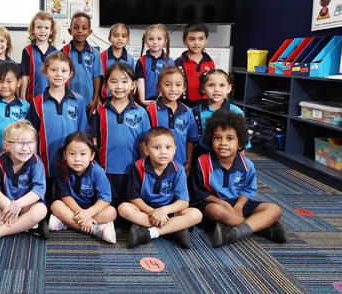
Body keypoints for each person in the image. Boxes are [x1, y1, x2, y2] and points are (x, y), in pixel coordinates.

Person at [189, 111, 286, 248]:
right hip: (213, 204)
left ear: (240, 142)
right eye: (217, 138)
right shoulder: (202, 162)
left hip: (237, 203)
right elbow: (198, 193)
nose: (223, 143)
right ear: (210, 139)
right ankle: (262, 228)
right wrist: (221, 203)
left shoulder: (247, 164)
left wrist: (239, 205)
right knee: (216, 211)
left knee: (275, 209)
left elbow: (248, 189)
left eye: (229, 139)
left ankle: (235, 232)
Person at [118, 127, 202, 248]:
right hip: (145, 210)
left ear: (174, 150)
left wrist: (163, 211)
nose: (163, 152)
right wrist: (153, 212)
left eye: (168, 147)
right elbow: (133, 197)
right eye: (157, 147)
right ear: (146, 150)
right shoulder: (137, 166)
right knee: (123, 208)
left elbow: (183, 202)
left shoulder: (179, 169)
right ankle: (173, 230)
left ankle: (151, 232)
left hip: (168, 211)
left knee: (196, 214)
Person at [27, 52, 88, 199]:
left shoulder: (78, 100)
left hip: (72, 159)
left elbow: (83, 132)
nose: (58, 74)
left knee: (68, 196)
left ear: (70, 74)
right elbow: (31, 134)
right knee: (45, 196)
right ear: (45, 72)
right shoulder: (37, 102)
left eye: (64, 70)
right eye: (53, 70)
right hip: (45, 160)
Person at [90, 62, 149, 204]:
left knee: (129, 204)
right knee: (107, 203)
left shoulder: (141, 112)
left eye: (124, 81)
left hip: (133, 169)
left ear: (133, 84)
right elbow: (94, 141)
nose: (119, 86)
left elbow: (145, 142)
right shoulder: (100, 111)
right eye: (114, 81)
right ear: (106, 85)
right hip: (106, 169)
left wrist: (144, 166)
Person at [49, 132, 117, 243]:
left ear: (92, 155)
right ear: (65, 155)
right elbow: (65, 197)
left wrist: (88, 213)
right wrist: (82, 215)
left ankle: (66, 224)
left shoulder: (97, 171)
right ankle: (96, 229)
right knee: (55, 205)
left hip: (93, 210)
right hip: (72, 209)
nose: (77, 159)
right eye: (72, 154)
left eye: (83, 154)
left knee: (112, 212)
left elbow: (105, 199)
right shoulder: (63, 169)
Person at [144, 67, 199, 172]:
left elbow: (190, 141)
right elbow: (144, 141)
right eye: (167, 85)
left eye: (178, 85)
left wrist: (188, 163)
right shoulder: (150, 110)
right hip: (155, 166)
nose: (173, 89)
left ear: (184, 88)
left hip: (180, 167)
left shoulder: (188, 112)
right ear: (159, 87)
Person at [192, 69, 249, 157]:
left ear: (229, 88)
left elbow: (243, 144)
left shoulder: (237, 112)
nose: (217, 89)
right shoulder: (194, 111)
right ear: (203, 88)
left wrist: (241, 163)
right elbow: (190, 140)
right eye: (211, 85)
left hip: (227, 155)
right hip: (202, 154)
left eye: (222, 85)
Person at [62, 12, 103, 114]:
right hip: (67, 101)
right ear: (70, 31)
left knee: (86, 129)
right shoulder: (63, 52)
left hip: (88, 102)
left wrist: (95, 99)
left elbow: (96, 77)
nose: (80, 31)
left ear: (89, 32)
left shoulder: (95, 53)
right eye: (76, 28)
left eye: (84, 28)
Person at [20, 11, 59, 102]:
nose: (42, 31)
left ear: (51, 31)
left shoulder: (56, 53)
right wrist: (22, 96)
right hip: (31, 99)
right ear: (33, 29)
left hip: (51, 99)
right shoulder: (27, 51)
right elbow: (25, 76)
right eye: (39, 27)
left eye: (46, 28)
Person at [174, 22, 215, 107]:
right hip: (183, 103)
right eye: (192, 39)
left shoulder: (210, 62)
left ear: (206, 40)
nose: (196, 43)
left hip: (205, 102)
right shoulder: (178, 62)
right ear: (184, 41)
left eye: (201, 39)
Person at [135, 23, 174, 106]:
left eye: (159, 39)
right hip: (144, 102)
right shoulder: (141, 61)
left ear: (165, 41)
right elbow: (140, 81)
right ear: (146, 41)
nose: (155, 42)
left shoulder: (170, 62)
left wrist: (160, 100)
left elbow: (169, 83)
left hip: (163, 102)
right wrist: (142, 100)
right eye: (151, 39)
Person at [99, 23, 135, 101]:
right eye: (116, 36)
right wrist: (98, 100)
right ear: (109, 38)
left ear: (128, 40)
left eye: (123, 36)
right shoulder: (101, 57)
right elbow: (98, 80)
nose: (120, 39)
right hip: (105, 98)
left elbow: (131, 81)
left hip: (124, 97)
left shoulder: (130, 59)